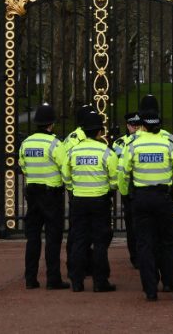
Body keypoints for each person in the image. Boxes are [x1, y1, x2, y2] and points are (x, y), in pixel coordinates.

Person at [118, 106, 173, 301]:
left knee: (144, 244)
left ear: (142, 125)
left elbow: (123, 172)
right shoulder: (168, 142)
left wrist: (126, 193)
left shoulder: (133, 144)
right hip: (163, 197)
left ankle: (150, 291)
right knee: (170, 244)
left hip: (141, 197)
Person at [63, 110, 118, 292]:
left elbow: (66, 174)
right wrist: (109, 190)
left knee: (79, 240)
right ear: (99, 132)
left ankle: (77, 281)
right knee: (100, 242)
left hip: (79, 199)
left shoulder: (73, 150)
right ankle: (100, 281)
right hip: (100, 200)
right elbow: (114, 178)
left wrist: (73, 189)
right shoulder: (105, 151)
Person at [18, 103, 69, 290]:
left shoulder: (26, 143)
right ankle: (53, 278)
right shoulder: (56, 144)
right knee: (52, 238)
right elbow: (65, 168)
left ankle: (30, 278)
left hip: (32, 193)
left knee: (33, 238)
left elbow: (22, 166)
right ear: (52, 124)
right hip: (51, 195)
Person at [113, 111, 142, 267]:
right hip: (128, 188)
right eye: (133, 125)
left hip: (141, 186)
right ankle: (135, 257)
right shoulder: (119, 143)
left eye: (138, 125)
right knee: (131, 226)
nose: (135, 128)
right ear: (127, 125)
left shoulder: (144, 141)